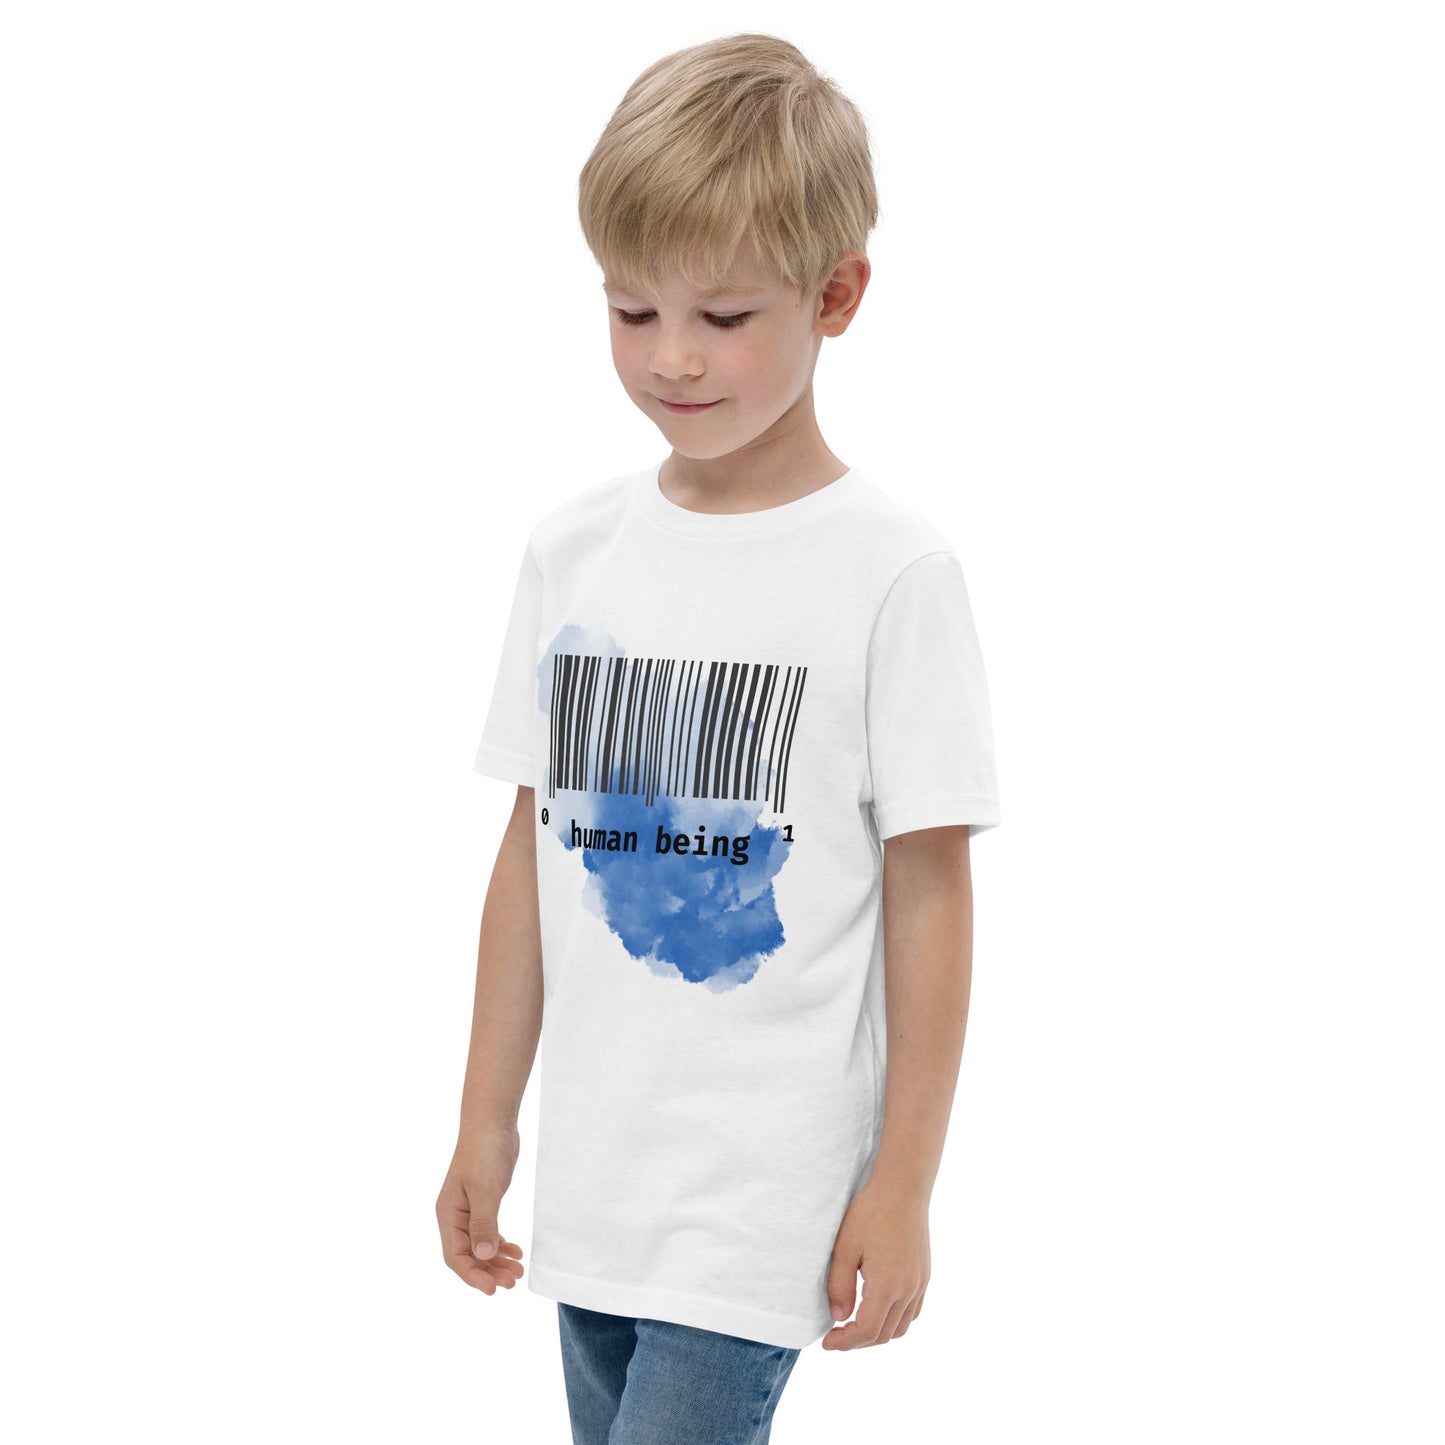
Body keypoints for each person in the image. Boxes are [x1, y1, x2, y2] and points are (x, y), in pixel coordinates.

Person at [436, 32, 1002, 1444]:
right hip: (594, 1193)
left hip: (759, 1206)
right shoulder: (572, 553)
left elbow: (930, 894)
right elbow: (531, 857)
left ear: (836, 296)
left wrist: (904, 1180)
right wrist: (486, 1117)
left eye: (725, 314)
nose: (671, 358)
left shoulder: (889, 574)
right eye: (631, 310)